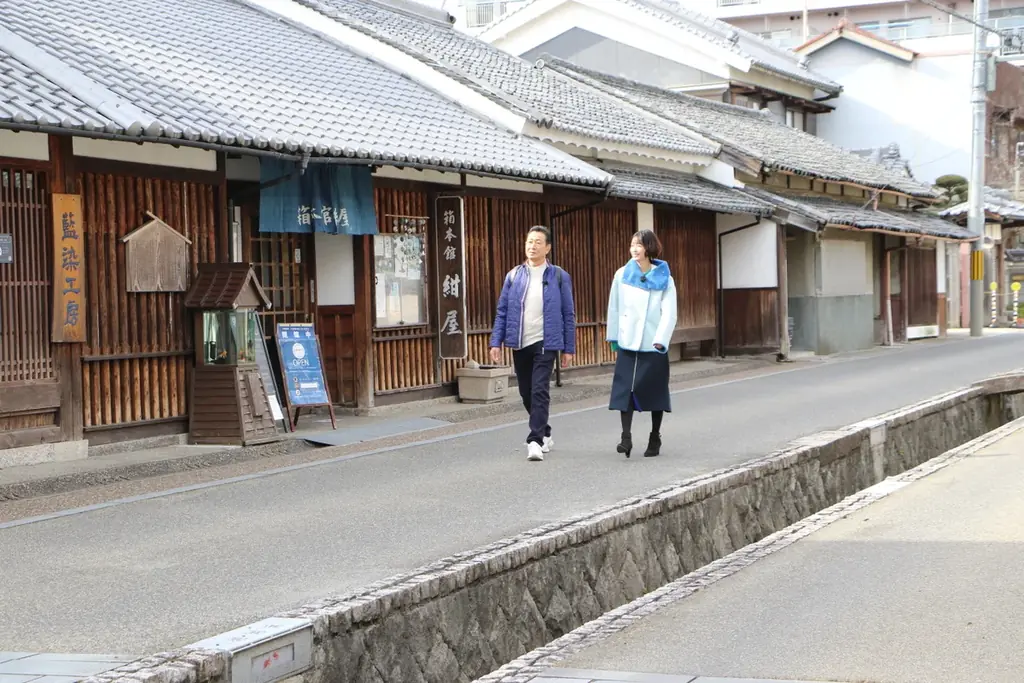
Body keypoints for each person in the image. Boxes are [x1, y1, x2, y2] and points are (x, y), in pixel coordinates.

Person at [490, 226, 576, 462]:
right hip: (520, 342)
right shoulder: (514, 276)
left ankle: (535, 440)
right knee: (526, 392)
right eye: (529, 241)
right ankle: (545, 431)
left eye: (538, 242)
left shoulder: (558, 276)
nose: (532, 246)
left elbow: (568, 313)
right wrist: (495, 341)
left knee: (540, 390)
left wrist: (569, 347)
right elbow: (502, 311)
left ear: (547, 247)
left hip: (546, 342)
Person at [606, 229, 677, 458]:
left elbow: (669, 313)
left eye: (639, 244)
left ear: (649, 247)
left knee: (655, 392)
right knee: (624, 390)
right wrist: (614, 336)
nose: (634, 249)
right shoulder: (622, 274)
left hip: (653, 343)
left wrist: (660, 340)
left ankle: (654, 436)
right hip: (628, 341)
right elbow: (615, 306)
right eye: (632, 244)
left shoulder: (664, 277)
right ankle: (626, 438)